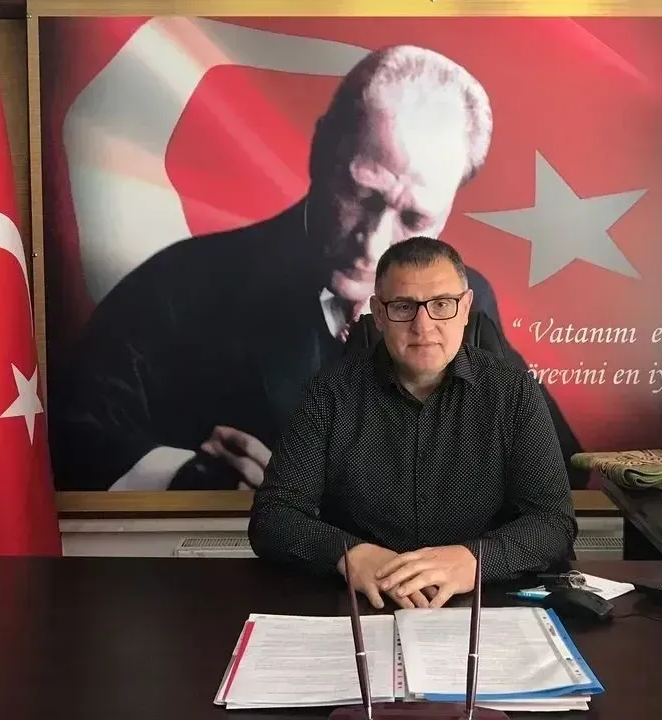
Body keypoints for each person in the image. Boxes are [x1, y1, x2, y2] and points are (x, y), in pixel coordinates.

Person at [49, 44, 582, 493]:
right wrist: (186, 478)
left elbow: (558, 464)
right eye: (362, 193)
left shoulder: (467, 300)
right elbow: (70, 440)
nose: (373, 243)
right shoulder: (181, 286)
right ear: (320, 148)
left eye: (414, 218)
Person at [248, 237, 577, 609]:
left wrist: (475, 560)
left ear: (466, 308)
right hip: (363, 602)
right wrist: (348, 554)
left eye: (442, 304)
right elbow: (273, 516)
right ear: (379, 313)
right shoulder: (329, 394)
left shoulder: (513, 392)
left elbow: (553, 523)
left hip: (480, 601)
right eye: (404, 306)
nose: (423, 326)